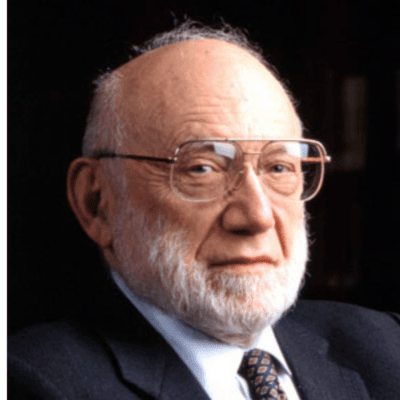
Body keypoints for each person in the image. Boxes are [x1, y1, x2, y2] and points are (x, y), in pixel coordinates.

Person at [8, 20, 400, 400]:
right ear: (97, 203)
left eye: (279, 168)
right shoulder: (32, 383)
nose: (257, 217)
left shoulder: (386, 347)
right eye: (202, 169)